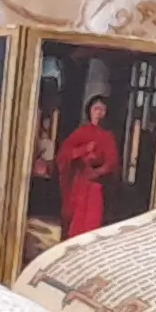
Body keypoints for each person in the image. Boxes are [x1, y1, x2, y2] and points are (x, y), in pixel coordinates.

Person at [59, 89, 121, 238]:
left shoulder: (108, 136)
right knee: (76, 222)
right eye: (96, 109)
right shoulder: (81, 132)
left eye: (102, 110)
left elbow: (112, 162)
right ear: (90, 111)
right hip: (79, 185)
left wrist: (97, 172)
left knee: (92, 223)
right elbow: (64, 154)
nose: (98, 113)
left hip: (96, 187)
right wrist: (84, 150)